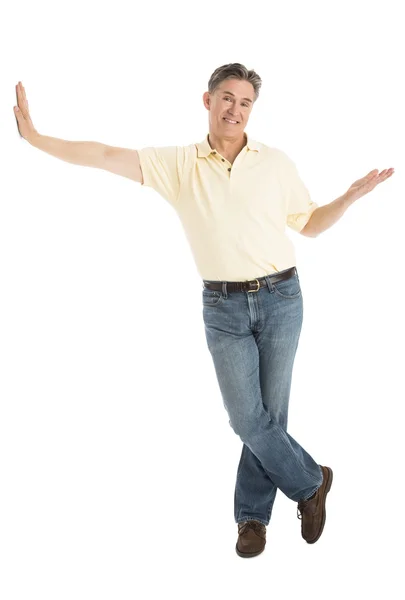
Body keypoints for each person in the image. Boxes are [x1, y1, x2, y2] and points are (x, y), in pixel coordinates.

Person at [14, 64, 394, 559]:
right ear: (208, 101)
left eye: (245, 102)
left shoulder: (275, 164)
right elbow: (106, 154)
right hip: (223, 307)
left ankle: (252, 518)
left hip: (282, 299)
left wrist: (346, 198)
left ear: (252, 110)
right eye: (227, 99)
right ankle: (309, 482)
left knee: (270, 419)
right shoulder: (180, 164)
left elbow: (311, 224)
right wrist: (38, 139)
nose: (235, 109)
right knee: (248, 421)